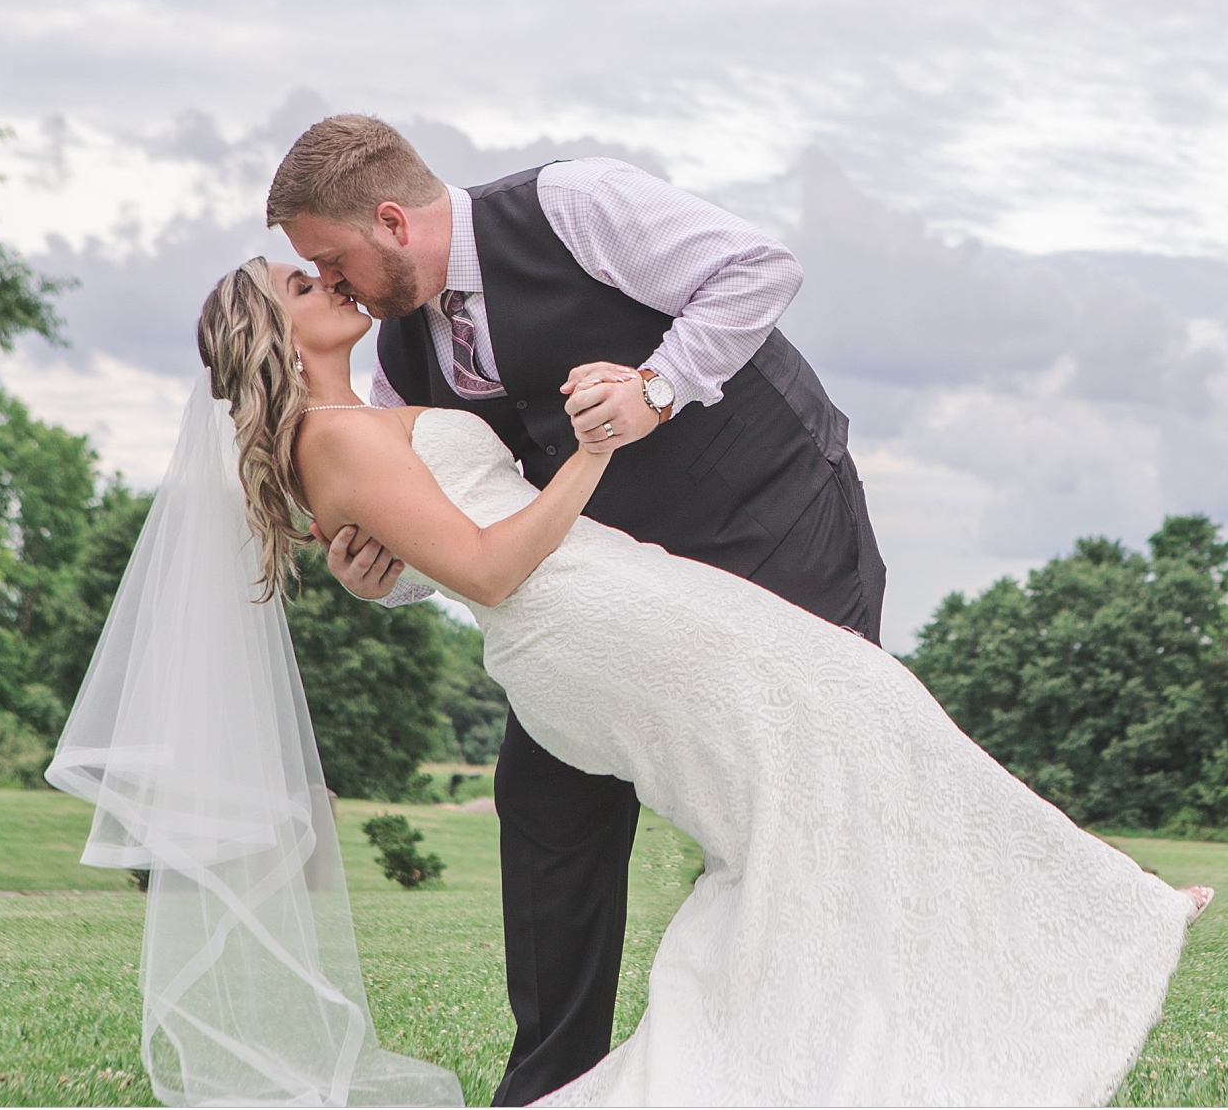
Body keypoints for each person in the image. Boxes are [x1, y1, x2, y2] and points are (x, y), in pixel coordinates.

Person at [187, 255, 1209, 1104]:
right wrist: (591, 452)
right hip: (581, 620)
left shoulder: (361, 415)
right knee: (831, 748)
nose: (327, 277)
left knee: (851, 723)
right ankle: (1074, 932)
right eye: (301, 282)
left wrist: (387, 575)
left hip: (610, 595)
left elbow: (435, 543)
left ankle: (1071, 920)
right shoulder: (331, 441)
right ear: (273, 330)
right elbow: (490, 566)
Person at [263, 116, 886, 1104]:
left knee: (807, 800)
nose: (332, 286)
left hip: (773, 527)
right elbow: (464, 515)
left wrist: (657, 388)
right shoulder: (394, 365)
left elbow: (758, 269)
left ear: (389, 220)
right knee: (546, 802)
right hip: (607, 600)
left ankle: (806, 1065)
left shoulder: (575, 204)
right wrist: (389, 575)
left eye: (332, 262)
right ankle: (551, 1087)